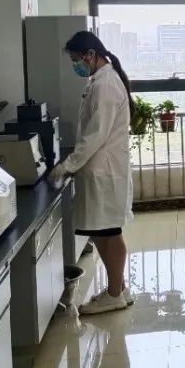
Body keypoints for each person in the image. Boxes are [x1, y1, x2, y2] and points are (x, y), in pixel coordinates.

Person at [48, 31, 135, 315]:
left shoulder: (105, 85)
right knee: (100, 231)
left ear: (90, 54)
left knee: (110, 232)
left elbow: (95, 135)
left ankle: (115, 294)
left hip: (104, 172)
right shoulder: (99, 81)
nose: (75, 65)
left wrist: (68, 165)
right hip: (99, 170)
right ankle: (118, 289)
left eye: (76, 59)